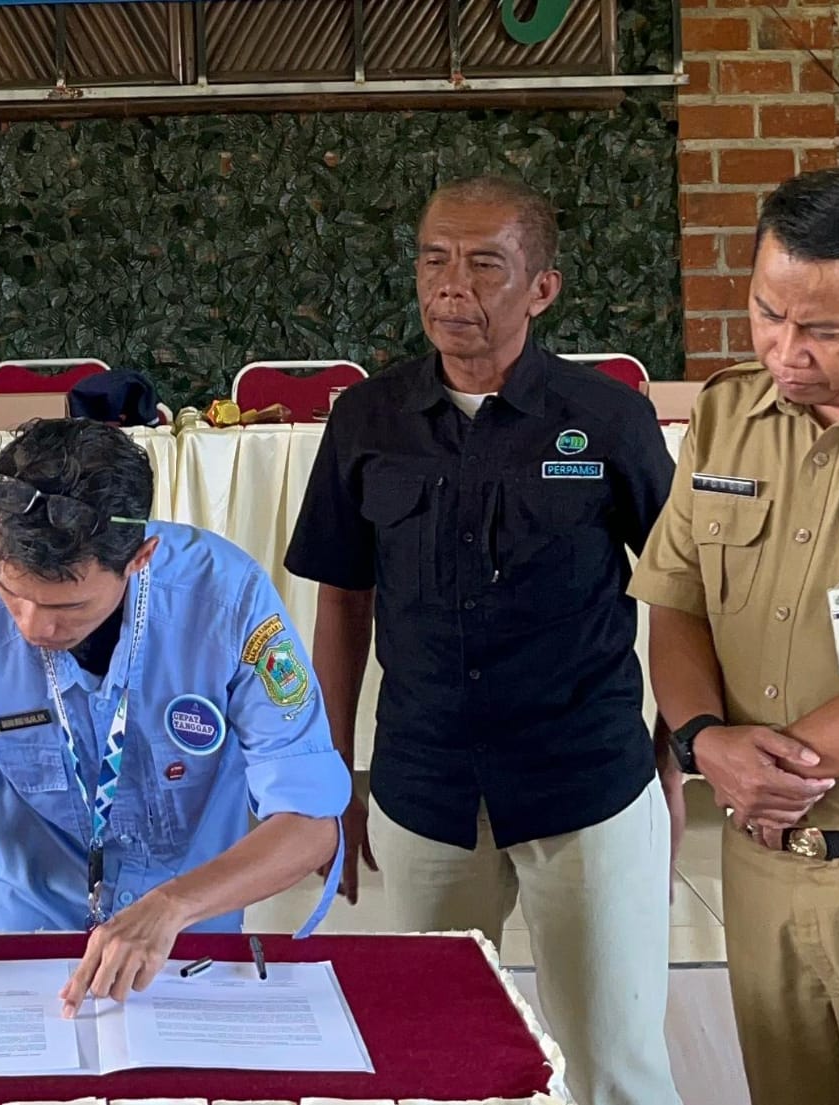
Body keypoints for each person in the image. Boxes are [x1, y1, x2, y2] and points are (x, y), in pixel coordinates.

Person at [285, 176, 682, 1105]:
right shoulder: (367, 421)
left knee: (615, 1065)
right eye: (433, 260)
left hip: (588, 782)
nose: (449, 286)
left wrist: (673, 747)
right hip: (426, 791)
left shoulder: (608, 418)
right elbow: (340, 603)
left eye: (483, 264)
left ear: (542, 288)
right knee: (439, 1064)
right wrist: (329, 774)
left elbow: (684, 590)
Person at [0, 419, 348, 1015]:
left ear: (141, 558)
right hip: (23, 933)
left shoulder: (230, 607)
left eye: (67, 606)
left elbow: (309, 821)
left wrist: (173, 906)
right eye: (13, 593)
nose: (33, 627)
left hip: (184, 941)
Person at [631, 167, 839, 1104]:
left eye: (824, 329)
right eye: (769, 314)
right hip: (763, 865)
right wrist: (703, 742)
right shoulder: (730, 413)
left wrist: (774, 769)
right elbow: (677, 596)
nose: (787, 350)